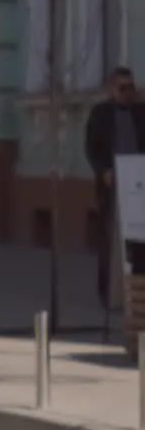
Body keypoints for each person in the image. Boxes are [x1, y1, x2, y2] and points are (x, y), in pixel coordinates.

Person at [85, 66, 145, 309]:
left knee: (140, 238)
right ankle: (107, 293)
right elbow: (91, 147)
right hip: (113, 181)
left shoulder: (140, 112)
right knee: (111, 239)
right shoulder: (101, 114)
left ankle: (138, 291)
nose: (128, 93)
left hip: (138, 180)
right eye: (123, 88)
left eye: (131, 87)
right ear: (112, 89)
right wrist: (103, 171)